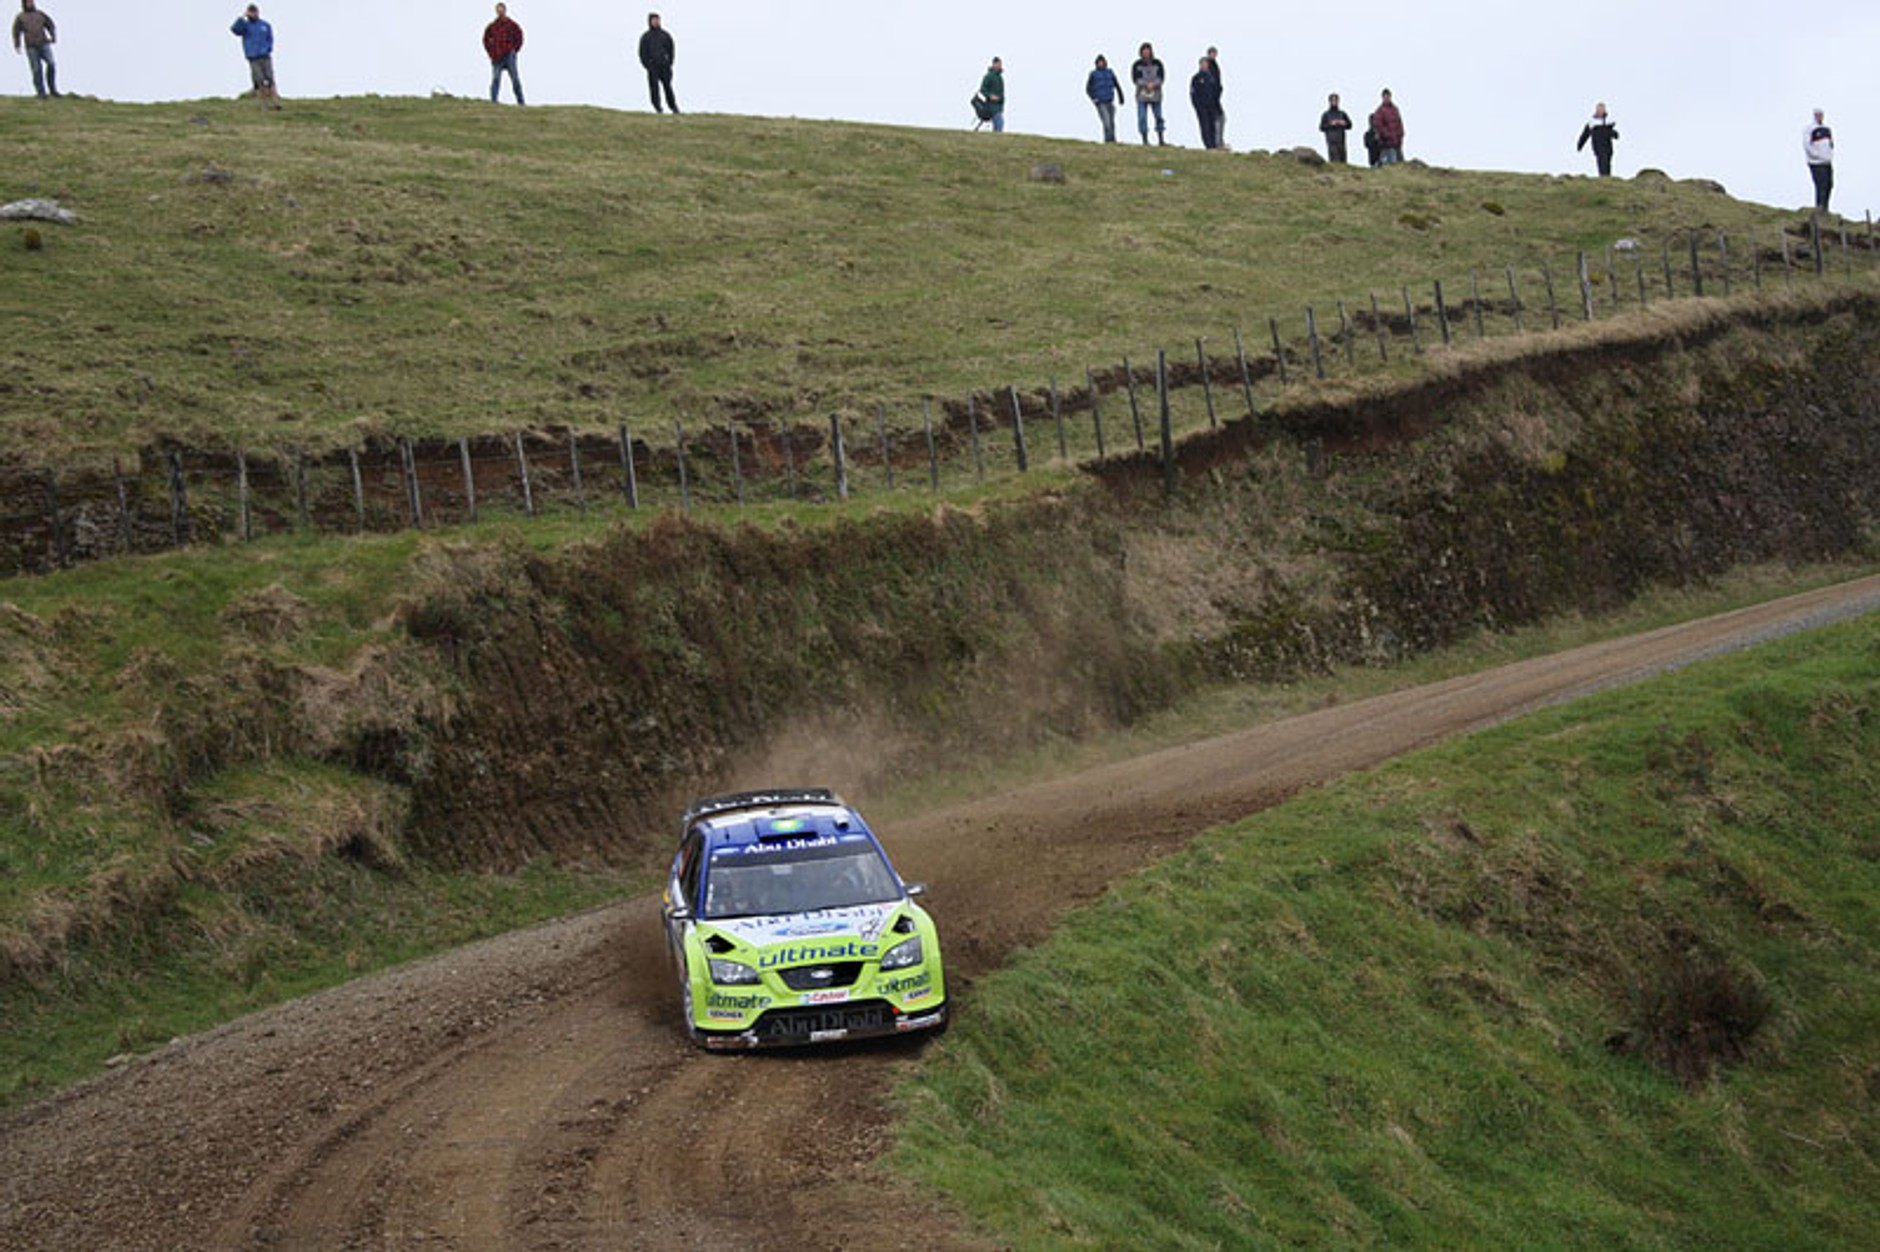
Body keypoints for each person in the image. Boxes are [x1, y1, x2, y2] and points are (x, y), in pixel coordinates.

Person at [230, 5, 278, 108]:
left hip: (265, 56)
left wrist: (268, 49)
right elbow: (234, 30)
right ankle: (264, 103)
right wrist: (241, 18)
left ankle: (276, 101)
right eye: (250, 12)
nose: (253, 14)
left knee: (270, 78)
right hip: (253, 57)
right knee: (259, 79)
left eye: (254, 12)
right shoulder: (245, 26)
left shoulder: (265, 25)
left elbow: (270, 38)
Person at [10, 0, 55, 99]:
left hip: (44, 43)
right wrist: (17, 45)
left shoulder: (40, 14)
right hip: (31, 47)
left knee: (51, 64)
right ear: (24, 4)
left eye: (31, 1)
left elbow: (50, 24)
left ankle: (53, 89)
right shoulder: (20, 17)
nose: (30, 3)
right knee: (36, 70)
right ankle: (41, 93)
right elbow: (16, 32)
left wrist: (53, 36)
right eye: (28, 2)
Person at [483, 3, 524, 105]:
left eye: (502, 10)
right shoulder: (492, 26)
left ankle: (521, 102)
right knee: (496, 79)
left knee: (515, 79)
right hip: (497, 57)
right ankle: (493, 101)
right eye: (498, 10)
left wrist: (514, 50)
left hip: (509, 55)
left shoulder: (512, 25)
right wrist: (491, 52)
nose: (500, 12)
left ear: (505, 10)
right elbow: (485, 40)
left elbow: (520, 37)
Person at [638, 12, 677, 114]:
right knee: (654, 88)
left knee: (668, 87)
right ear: (650, 21)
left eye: (657, 20)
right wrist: (648, 65)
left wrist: (669, 62)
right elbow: (642, 53)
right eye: (654, 20)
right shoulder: (646, 37)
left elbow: (671, 50)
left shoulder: (665, 35)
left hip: (664, 66)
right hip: (652, 67)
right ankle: (658, 107)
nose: (656, 22)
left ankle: (673, 107)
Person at [1131, 42, 1166, 146]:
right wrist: (1145, 85)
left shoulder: (1158, 63)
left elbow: (1161, 77)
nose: (1146, 53)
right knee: (1142, 117)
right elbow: (1135, 79)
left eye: (1148, 51)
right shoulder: (1137, 65)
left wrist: (1154, 84)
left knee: (1158, 116)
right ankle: (1145, 140)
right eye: (1144, 51)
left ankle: (1161, 138)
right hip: (1142, 95)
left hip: (1156, 95)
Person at [1086, 54, 1123, 143]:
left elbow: (1117, 85)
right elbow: (1088, 89)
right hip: (1100, 102)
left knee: (1112, 122)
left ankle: (1113, 140)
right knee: (1106, 122)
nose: (1101, 64)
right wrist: (1094, 99)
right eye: (1099, 62)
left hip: (1110, 101)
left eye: (1102, 62)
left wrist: (1121, 97)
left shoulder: (1110, 72)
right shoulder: (1093, 74)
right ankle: (1107, 140)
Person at [1577, 102, 1618, 176]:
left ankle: (1607, 178)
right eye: (1599, 109)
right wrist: (1580, 145)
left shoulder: (1608, 121)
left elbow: (1611, 133)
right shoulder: (1592, 122)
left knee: (1607, 163)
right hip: (1598, 146)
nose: (1601, 111)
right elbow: (1585, 135)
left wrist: (1615, 134)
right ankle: (1603, 178)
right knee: (1602, 162)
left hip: (1608, 146)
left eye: (1602, 109)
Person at [1189, 56, 1222, 150]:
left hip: (1212, 106)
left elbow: (1217, 90)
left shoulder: (1212, 78)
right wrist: (1197, 106)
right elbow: (1193, 94)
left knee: (1213, 126)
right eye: (1202, 64)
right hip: (1202, 107)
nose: (1204, 66)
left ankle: (1214, 145)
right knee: (1205, 126)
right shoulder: (1196, 78)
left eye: (1205, 64)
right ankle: (1208, 145)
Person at [1805, 108, 1834, 213]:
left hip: (1827, 162)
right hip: (1816, 163)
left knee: (1829, 184)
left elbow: (1830, 144)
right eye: (1817, 115)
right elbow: (1807, 146)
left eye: (1821, 115)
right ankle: (1819, 208)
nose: (1820, 117)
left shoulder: (1827, 129)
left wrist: (1829, 156)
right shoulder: (1809, 129)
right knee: (1820, 185)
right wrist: (1816, 155)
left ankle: (1825, 208)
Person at [1370, 88, 1404, 165]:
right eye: (1385, 96)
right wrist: (1388, 135)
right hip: (1387, 143)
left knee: (1401, 164)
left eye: (1388, 96)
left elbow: (1399, 123)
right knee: (1391, 164)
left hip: (1397, 142)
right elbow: (1379, 126)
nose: (1387, 98)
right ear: (1382, 97)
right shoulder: (1379, 111)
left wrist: (1400, 135)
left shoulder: (1395, 109)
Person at [1320, 92, 1352, 164]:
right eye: (1333, 100)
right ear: (1330, 102)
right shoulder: (1326, 114)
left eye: (1336, 100)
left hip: (1341, 139)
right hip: (1331, 140)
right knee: (1334, 158)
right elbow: (1322, 127)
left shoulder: (1342, 113)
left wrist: (1343, 123)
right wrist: (1331, 124)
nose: (1334, 102)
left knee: (1343, 158)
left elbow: (1350, 125)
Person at [1205, 46, 1226, 147]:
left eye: (1214, 53)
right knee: (1218, 119)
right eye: (1211, 53)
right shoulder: (1210, 65)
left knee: (1220, 119)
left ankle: (1219, 141)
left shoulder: (1214, 65)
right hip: (1212, 99)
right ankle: (1217, 142)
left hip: (1215, 98)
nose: (1213, 55)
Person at [979, 55, 1005, 133]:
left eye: (1000, 64)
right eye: (998, 64)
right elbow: (982, 90)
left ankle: (995, 138)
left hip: (999, 106)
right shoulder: (988, 76)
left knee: (999, 123)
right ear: (994, 64)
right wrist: (990, 96)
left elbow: (1001, 92)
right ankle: (997, 138)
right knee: (999, 123)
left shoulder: (1000, 78)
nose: (1000, 66)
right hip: (991, 106)